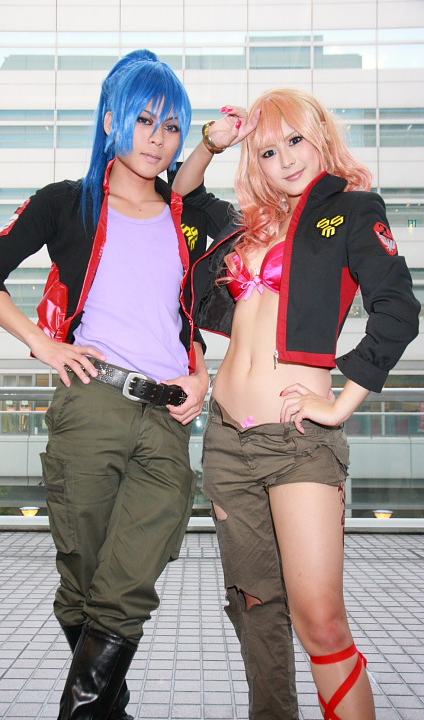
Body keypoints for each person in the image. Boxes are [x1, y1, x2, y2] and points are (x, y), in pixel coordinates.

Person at [0, 50, 214, 720]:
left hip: (168, 416)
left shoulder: (184, 216)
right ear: (110, 120)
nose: (158, 139)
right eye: (144, 121)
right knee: (83, 579)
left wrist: (200, 371)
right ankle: (108, 709)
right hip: (92, 402)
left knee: (128, 582)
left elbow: (191, 311)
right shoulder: (66, 203)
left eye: (171, 126)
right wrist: (45, 344)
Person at [172, 88, 420, 720]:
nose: (284, 159)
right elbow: (182, 196)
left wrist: (341, 402)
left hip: (298, 441)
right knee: (255, 613)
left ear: (322, 139)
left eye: (295, 140)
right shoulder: (248, 225)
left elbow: (398, 309)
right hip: (226, 439)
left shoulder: (351, 210)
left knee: (321, 622)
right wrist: (210, 143)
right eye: (267, 150)